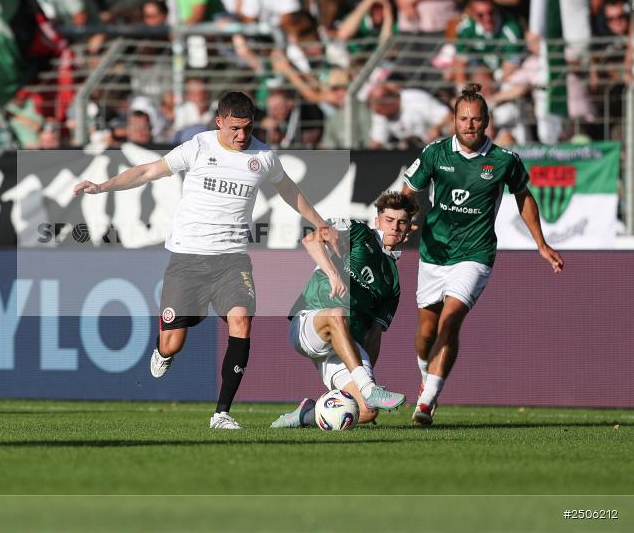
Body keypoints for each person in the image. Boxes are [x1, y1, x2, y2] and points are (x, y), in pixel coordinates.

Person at [73, 91, 337, 429]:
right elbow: (147, 171)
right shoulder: (199, 146)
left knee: (241, 323)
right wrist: (102, 187)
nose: (242, 135)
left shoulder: (263, 156)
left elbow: (288, 190)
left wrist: (320, 223)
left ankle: (221, 413)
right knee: (173, 343)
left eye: (247, 128)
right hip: (188, 258)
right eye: (234, 128)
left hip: (232, 260)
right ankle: (163, 349)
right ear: (219, 122)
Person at [401, 84, 564, 426]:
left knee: (450, 321)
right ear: (454, 121)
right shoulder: (435, 153)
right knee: (426, 333)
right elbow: (409, 190)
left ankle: (428, 401)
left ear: (487, 121)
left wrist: (541, 243)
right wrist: (405, 218)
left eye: (476, 119)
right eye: (463, 119)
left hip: (475, 254)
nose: (469, 125)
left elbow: (524, 196)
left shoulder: (504, 160)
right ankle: (425, 377)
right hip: (434, 251)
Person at [271, 191, 420, 428]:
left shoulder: (392, 283)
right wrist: (333, 274)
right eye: (389, 220)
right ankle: (369, 389)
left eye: (402, 222)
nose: (394, 227)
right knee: (337, 314)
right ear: (378, 220)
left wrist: (364, 375)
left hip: (344, 344)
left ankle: (305, 414)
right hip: (311, 322)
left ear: (408, 229)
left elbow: (374, 336)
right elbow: (312, 240)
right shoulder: (360, 233)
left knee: (367, 411)